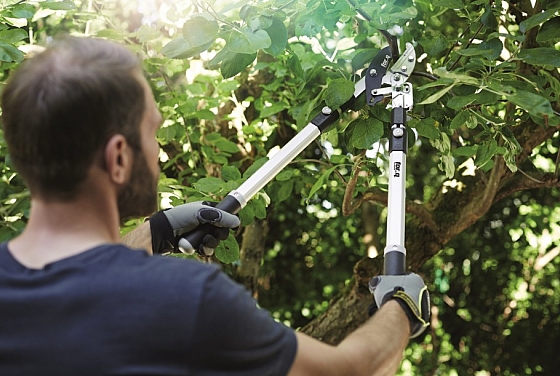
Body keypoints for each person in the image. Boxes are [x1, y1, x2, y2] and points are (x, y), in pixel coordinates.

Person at [0, 36, 429, 375]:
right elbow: (344, 373)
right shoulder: (185, 298)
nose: (157, 148)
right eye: (153, 132)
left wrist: (154, 232)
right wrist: (400, 309)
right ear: (117, 158)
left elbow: (79, 286)